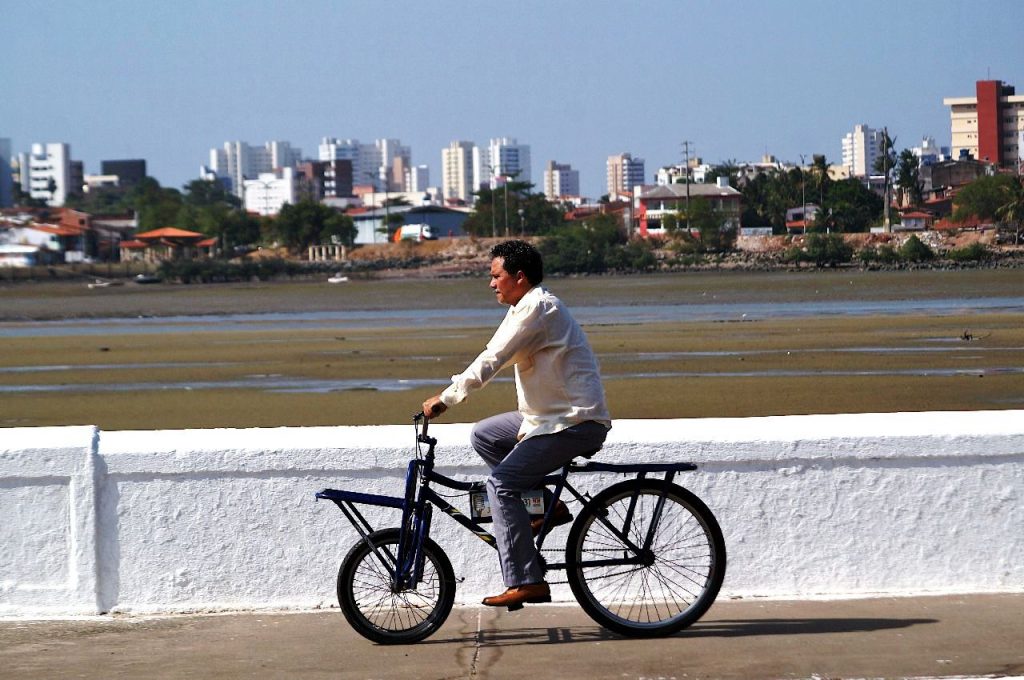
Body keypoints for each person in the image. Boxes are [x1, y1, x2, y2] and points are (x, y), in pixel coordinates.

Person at [422, 239, 611, 610]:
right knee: (485, 435)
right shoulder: (523, 308)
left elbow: (493, 358)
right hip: (545, 418)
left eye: (496, 276)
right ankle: (546, 506)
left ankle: (526, 580)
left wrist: (446, 398)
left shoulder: (538, 308)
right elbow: (493, 354)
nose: (491, 284)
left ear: (519, 277)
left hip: (575, 420)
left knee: (502, 485)